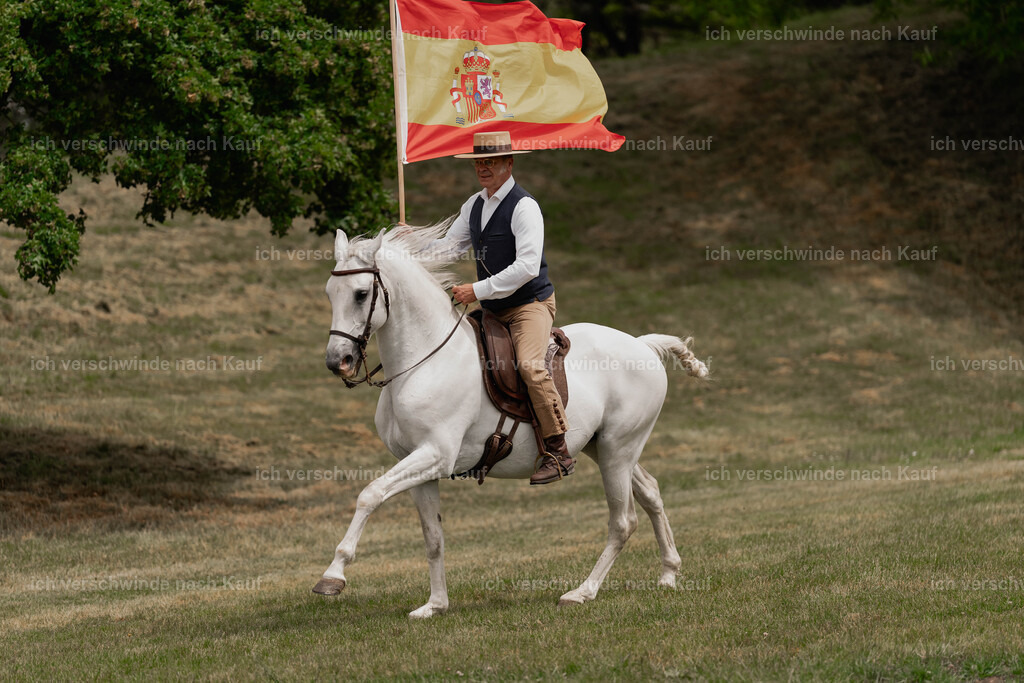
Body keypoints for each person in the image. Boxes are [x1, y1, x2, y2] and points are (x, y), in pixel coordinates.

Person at [432, 130, 573, 485]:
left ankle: (558, 451)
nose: (483, 167)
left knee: (529, 366)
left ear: (508, 164)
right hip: (494, 308)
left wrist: (476, 290)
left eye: (490, 161)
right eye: (479, 162)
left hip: (529, 305)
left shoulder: (525, 207)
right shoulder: (474, 205)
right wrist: (410, 248)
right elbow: (449, 248)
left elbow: (527, 267)